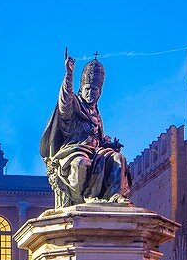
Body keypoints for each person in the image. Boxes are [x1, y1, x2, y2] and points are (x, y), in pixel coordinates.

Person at [41, 50, 130, 208]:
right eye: (87, 89)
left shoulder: (97, 113)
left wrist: (109, 145)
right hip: (74, 150)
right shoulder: (74, 105)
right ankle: (85, 197)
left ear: (99, 93)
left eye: (94, 90)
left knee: (118, 159)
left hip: (96, 152)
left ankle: (114, 195)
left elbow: (99, 139)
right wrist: (69, 75)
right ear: (81, 90)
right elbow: (64, 102)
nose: (90, 93)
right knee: (81, 163)